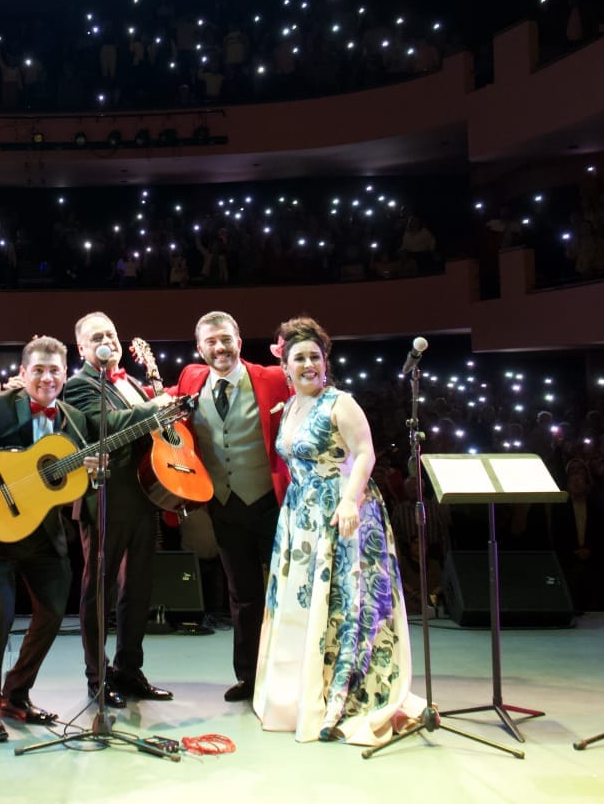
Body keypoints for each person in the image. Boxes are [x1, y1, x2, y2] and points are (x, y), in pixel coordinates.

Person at [0, 337, 160, 743]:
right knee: (1, 615)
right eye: (39, 371)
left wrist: (93, 473)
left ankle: (16, 694)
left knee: (53, 611)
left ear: (65, 374)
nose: (47, 378)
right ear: (23, 373)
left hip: (44, 532)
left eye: (54, 371)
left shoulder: (73, 419)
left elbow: (75, 480)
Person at [254, 317, 422, 745]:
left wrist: (349, 500)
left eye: (315, 356)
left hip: (342, 512)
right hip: (301, 516)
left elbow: (364, 453)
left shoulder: (340, 403)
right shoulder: (290, 407)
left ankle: (343, 693)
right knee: (306, 604)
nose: (308, 365)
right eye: (299, 358)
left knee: (346, 603)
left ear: (325, 362)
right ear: (285, 366)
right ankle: (304, 693)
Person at [171, 311, 291, 703]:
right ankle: (250, 678)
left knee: (290, 591)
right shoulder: (191, 378)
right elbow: (161, 399)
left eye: (225, 339)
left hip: (272, 502)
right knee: (243, 596)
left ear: (239, 342)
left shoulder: (273, 378)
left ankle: (293, 677)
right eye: (211, 341)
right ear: (199, 348)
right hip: (224, 506)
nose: (219, 347)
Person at [61, 312, 173, 707]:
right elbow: (102, 425)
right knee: (99, 592)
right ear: (82, 348)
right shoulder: (78, 385)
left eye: (111, 334)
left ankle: (129, 669)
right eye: (96, 337)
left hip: (144, 496)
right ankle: (97, 676)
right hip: (105, 497)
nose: (106, 341)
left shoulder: (135, 385)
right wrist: (156, 407)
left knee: (138, 590)